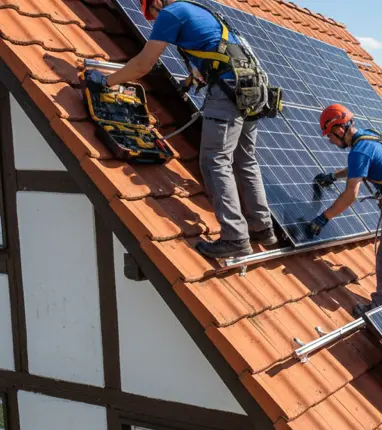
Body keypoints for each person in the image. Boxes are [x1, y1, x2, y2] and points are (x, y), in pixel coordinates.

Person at [84, 0, 277, 258]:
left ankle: (235, 236)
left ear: (156, 2)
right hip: (253, 89)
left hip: (229, 91)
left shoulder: (171, 13)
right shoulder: (200, 10)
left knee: (215, 161)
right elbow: (219, 51)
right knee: (245, 161)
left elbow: (144, 64)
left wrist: (106, 80)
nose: (153, 19)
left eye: (150, 12)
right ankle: (262, 228)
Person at [310, 104, 382, 317]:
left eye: (329, 136)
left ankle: (381, 307)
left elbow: (351, 193)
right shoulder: (369, 136)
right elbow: (360, 168)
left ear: (340, 129)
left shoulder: (358, 151)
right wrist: (334, 176)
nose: (330, 141)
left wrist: (325, 217)